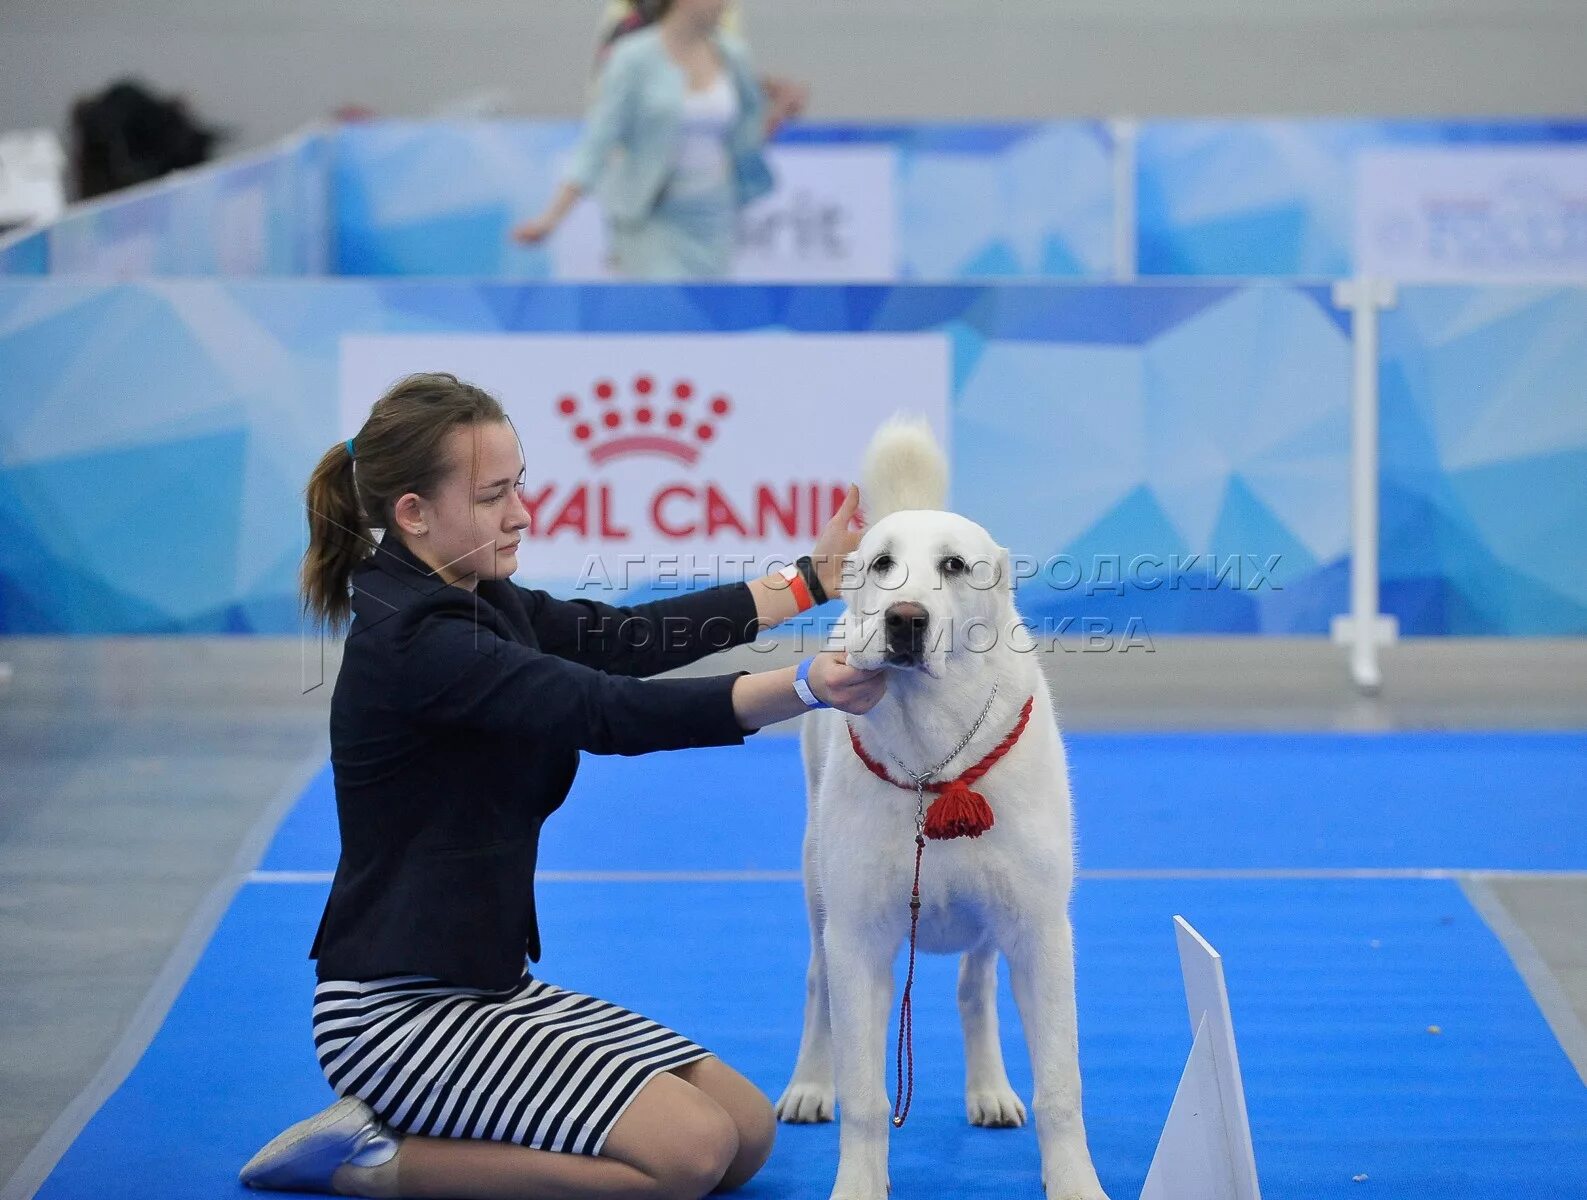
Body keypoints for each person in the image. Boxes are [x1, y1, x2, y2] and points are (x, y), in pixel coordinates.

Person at [239, 372, 884, 1199]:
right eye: (493, 495)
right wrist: (802, 686)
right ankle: (371, 1162)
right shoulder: (416, 640)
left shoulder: (478, 595)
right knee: (685, 1161)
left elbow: (620, 639)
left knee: (746, 1135)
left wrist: (810, 582)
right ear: (412, 512)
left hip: (493, 989)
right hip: (395, 1014)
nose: (521, 514)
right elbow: (604, 711)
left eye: (520, 488)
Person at [511, 0, 773, 279]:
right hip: (652, 214)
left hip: (714, 214)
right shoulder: (632, 58)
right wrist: (551, 219)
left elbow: (746, 133)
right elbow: (597, 144)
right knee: (664, 311)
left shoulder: (733, 55)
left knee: (707, 315)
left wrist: (776, 114)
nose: (725, 4)